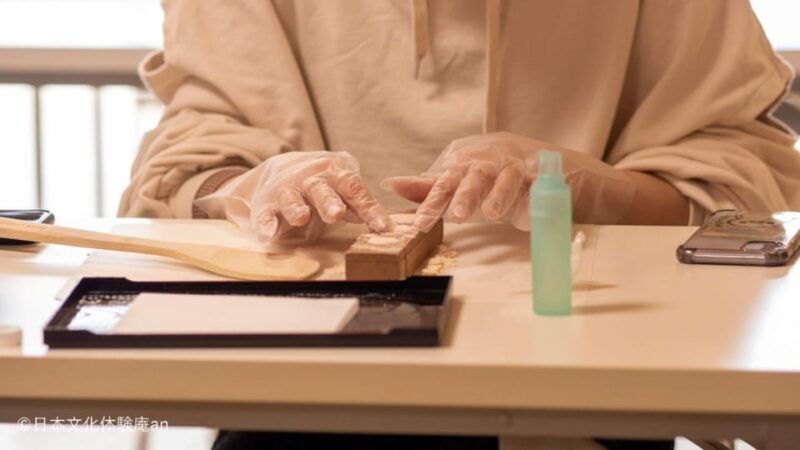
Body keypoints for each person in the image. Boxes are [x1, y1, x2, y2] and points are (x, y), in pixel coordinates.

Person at [119, 1, 800, 448]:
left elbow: (740, 193)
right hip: (305, 390)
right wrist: (250, 186)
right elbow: (179, 177)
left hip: (587, 382)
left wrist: (586, 184)